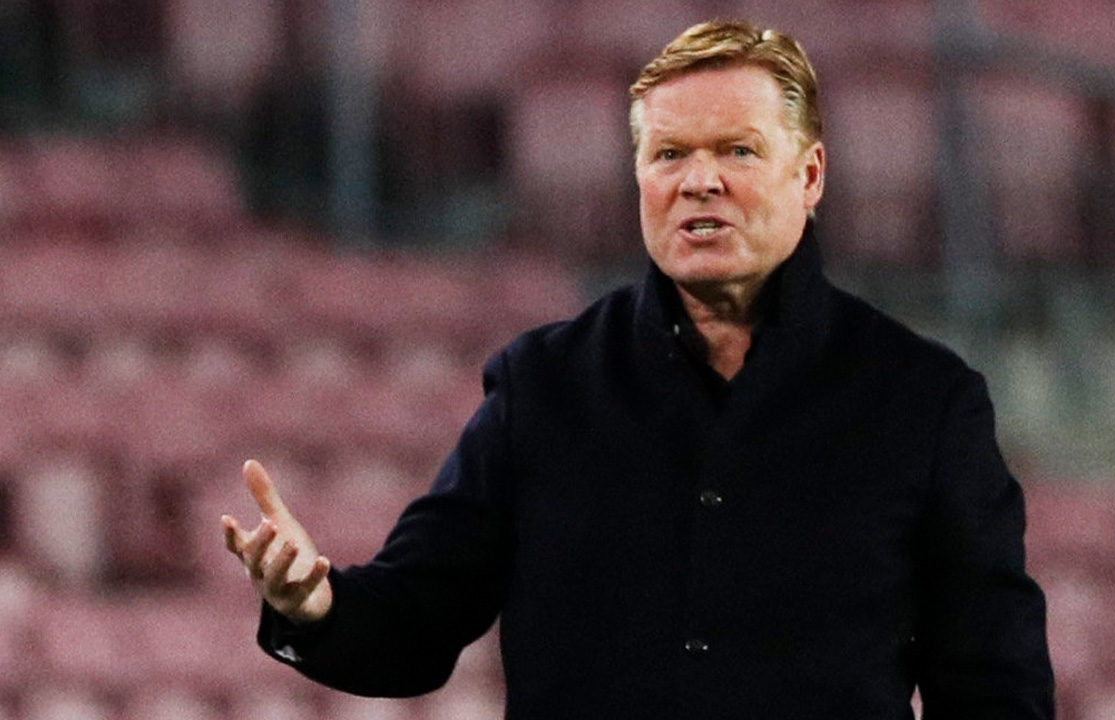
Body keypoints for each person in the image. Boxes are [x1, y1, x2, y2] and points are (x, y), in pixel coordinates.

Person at [221, 20, 1055, 719]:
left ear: (810, 176)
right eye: (668, 155)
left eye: (737, 151)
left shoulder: (926, 403)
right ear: (638, 177)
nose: (699, 182)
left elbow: (994, 688)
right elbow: (417, 622)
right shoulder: (541, 389)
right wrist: (315, 607)